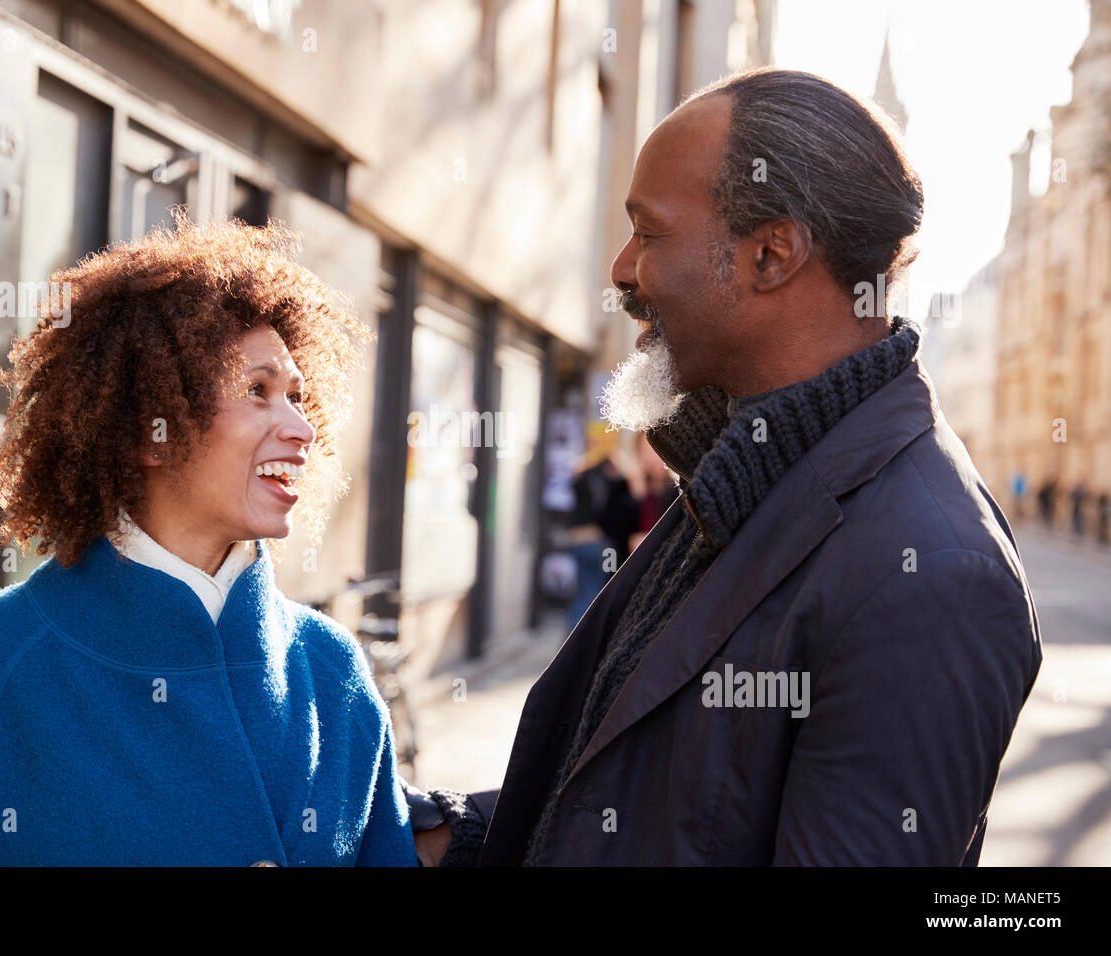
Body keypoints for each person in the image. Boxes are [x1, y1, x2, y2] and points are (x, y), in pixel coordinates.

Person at [412, 68, 1042, 866]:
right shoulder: (747, 468)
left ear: (771, 253)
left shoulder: (933, 572)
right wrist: (437, 834)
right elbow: (643, 803)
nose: (622, 270)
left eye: (650, 231)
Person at [0, 211, 417, 866]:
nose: (300, 429)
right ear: (148, 431)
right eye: (257, 391)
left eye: (298, 398)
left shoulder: (333, 669)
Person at [565, 450, 639, 625]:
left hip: (576, 541)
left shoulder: (581, 480)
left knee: (582, 592)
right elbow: (605, 514)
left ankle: (572, 638)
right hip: (596, 543)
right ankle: (579, 638)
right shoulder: (603, 482)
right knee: (595, 592)